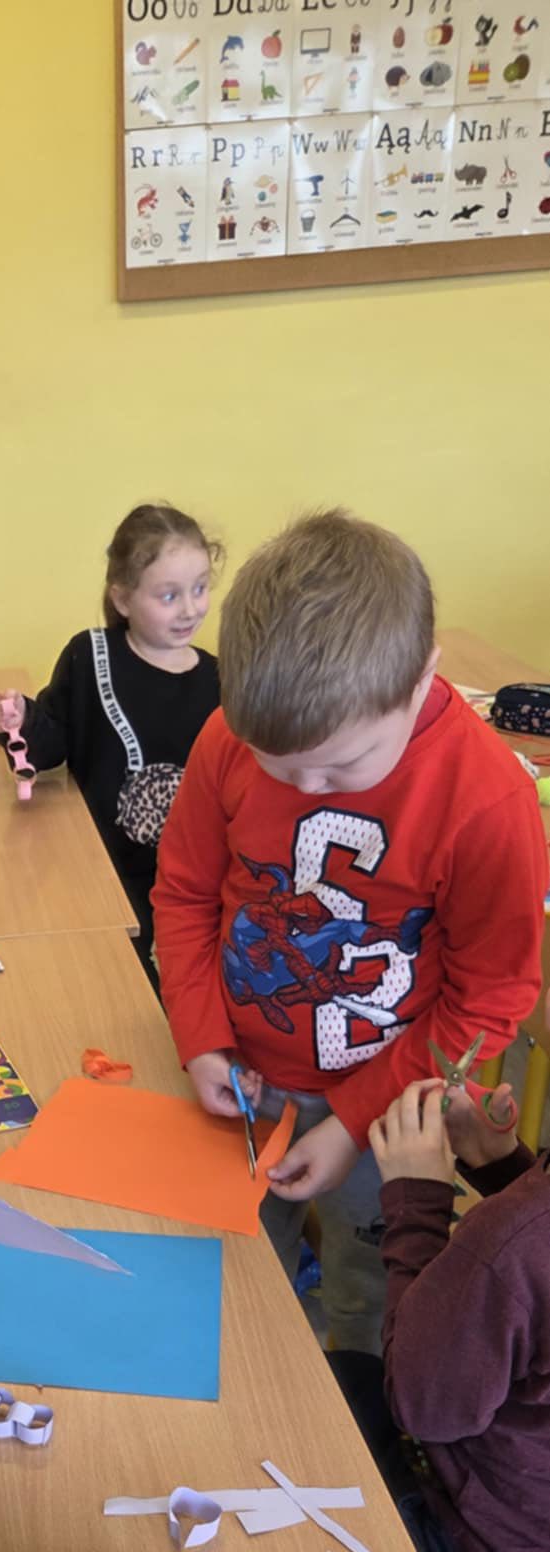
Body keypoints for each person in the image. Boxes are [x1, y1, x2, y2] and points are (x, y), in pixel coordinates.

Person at [152, 509, 546, 1354]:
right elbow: (183, 893)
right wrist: (199, 1036)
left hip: (387, 1118)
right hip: (241, 1085)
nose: (306, 788)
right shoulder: (227, 737)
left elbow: (489, 997)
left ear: (421, 678)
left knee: (369, 1302)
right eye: (280, 766)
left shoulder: (486, 800)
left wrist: (353, 1121)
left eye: (339, 766)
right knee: (229, 1282)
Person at [330, 1073, 550, 1552]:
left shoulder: (513, 1241)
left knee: (316, 1410)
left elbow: (422, 1406)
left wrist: (417, 1202)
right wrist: (505, 1167)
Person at [0, 502, 221, 981]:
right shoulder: (89, 657)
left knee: (177, 982)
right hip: (101, 874)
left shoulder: (222, 682)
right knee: (109, 982)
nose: (191, 608)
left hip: (190, 884)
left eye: (200, 588)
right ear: (123, 599)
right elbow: (50, 746)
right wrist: (20, 718)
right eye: (169, 596)